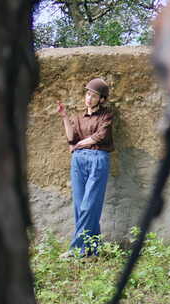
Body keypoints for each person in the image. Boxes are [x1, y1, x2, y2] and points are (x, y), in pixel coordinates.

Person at [57, 78, 114, 258]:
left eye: (94, 95)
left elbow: (100, 136)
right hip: (78, 160)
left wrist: (79, 144)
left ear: (102, 99)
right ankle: (92, 249)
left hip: (98, 159)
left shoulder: (107, 115)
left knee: (90, 206)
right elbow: (71, 139)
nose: (89, 98)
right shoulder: (78, 117)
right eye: (88, 94)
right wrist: (65, 117)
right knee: (80, 206)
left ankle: (75, 250)